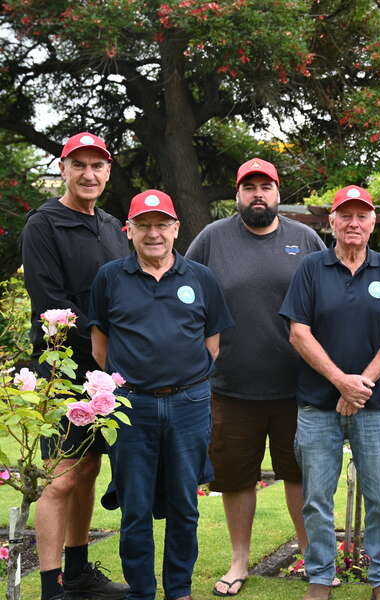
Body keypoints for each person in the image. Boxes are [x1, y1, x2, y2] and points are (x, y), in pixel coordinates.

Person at [186, 158, 326, 597]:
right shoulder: (212, 238)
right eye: (250, 188)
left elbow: (328, 299)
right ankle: (239, 561)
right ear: (238, 194)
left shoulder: (305, 238)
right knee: (236, 477)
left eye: (266, 187)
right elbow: (185, 291)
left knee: (300, 475)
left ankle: (310, 558)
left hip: (296, 387)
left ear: (278, 193)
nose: (258, 194)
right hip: (230, 387)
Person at [90, 190, 234, 600]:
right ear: (129, 231)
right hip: (131, 406)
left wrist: (180, 382)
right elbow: (101, 349)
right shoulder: (110, 278)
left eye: (161, 225)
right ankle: (141, 592)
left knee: (184, 507)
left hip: (188, 404)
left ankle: (179, 590)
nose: (153, 233)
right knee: (134, 509)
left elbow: (213, 345)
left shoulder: (201, 278)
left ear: (176, 229)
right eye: (144, 225)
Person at [280, 185, 380, 600]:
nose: (353, 223)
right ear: (332, 223)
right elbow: (298, 334)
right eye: (346, 216)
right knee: (317, 499)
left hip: (374, 407)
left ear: (373, 222)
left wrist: (361, 386)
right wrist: (341, 381)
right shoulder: (310, 268)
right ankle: (320, 576)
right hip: (318, 406)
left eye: (362, 216)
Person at [19, 131, 130, 600]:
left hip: (107, 371)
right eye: (78, 165)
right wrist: (107, 344)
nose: (88, 174)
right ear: (63, 169)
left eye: (97, 166)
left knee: (88, 472)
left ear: (107, 171)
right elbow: (51, 305)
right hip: (64, 370)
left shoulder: (110, 226)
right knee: (61, 477)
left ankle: (79, 572)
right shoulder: (43, 225)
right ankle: (51, 586)